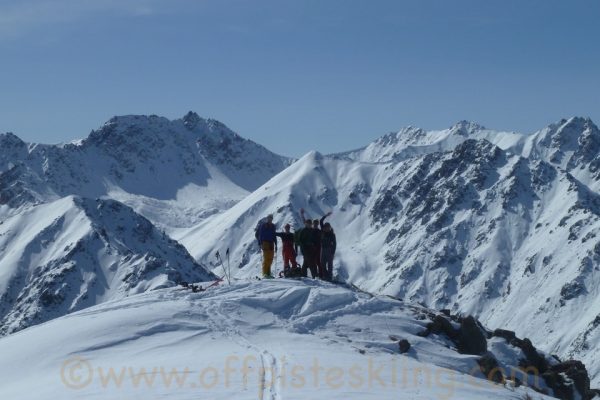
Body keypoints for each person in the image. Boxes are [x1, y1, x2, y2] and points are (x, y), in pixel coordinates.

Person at [257, 214, 277, 278]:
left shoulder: (273, 226)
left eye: (271, 218)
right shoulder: (263, 225)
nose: (270, 219)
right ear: (267, 218)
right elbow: (260, 234)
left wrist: (276, 244)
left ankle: (268, 273)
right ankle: (265, 273)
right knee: (266, 258)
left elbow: (274, 235)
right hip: (265, 243)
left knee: (270, 258)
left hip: (271, 243)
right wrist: (260, 243)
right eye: (269, 218)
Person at [320, 212, 336, 281]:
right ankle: (325, 276)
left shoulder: (332, 234)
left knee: (330, 265)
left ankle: (329, 277)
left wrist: (333, 252)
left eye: (328, 227)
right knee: (322, 263)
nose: (326, 229)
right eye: (325, 227)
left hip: (329, 250)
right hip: (323, 249)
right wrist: (326, 215)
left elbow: (335, 243)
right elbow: (321, 221)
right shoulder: (322, 232)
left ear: (329, 228)